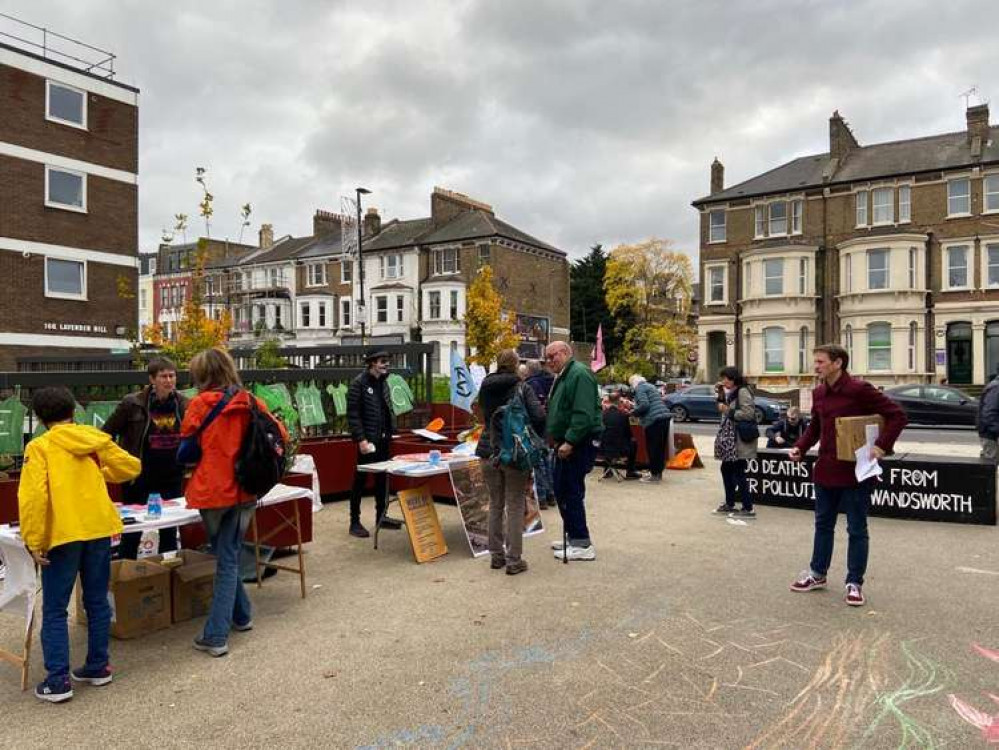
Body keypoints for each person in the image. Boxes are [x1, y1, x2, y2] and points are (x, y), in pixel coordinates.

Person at [18, 387, 141, 702]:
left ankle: (58, 680)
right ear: (74, 410)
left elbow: (33, 498)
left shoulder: (40, 447)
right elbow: (131, 467)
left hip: (63, 534)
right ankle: (98, 666)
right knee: (97, 600)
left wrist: (34, 540)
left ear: (39, 418)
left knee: (56, 608)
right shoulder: (92, 439)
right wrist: (100, 467)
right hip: (98, 528)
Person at [181, 348, 288, 657]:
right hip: (247, 489)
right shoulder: (252, 401)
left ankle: (215, 635)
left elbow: (186, 443)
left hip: (213, 491)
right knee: (227, 553)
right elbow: (279, 433)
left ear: (202, 375)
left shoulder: (200, 404)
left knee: (225, 557)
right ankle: (241, 616)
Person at [788, 344, 906, 607]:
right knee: (823, 525)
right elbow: (815, 428)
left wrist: (881, 446)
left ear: (838, 363)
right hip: (826, 469)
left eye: (820, 362)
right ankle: (817, 574)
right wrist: (801, 447)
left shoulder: (859, 390)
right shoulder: (818, 393)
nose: (816, 366)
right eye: (815, 361)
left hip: (857, 472)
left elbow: (897, 416)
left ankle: (854, 582)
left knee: (856, 528)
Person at [104, 357, 188, 559]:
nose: (169, 380)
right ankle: (126, 576)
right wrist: (119, 461)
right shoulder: (132, 403)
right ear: (152, 379)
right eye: (163, 376)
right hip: (138, 477)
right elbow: (106, 433)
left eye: (172, 375)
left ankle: (167, 577)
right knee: (133, 531)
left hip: (171, 475)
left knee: (169, 531)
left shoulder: (184, 404)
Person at [476, 349, 546, 575]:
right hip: (514, 452)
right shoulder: (522, 387)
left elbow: (480, 413)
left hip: (488, 449)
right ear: (516, 364)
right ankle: (514, 559)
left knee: (496, 504)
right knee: (515, 504)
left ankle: (496, 556)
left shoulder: (485, 387)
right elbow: (538, 417)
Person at [545, 341, 603, 561]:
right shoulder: (566, 375)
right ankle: (573, 535)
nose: (550, 362)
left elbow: (583, 413)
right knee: (563, 489)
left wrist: (570, 441)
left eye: (553, 356)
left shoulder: (579, 374)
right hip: (567, 442)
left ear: (566, 353)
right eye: (547, 358)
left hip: (578, 443)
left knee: (570, 491)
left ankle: (581, 542)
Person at [346, 349, 402, 538]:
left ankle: (381, 517)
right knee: (360, 481)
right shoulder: (358, 384)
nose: (386, 364)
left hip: (384, 439)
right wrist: (361, 439)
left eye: (387, 361)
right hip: (368, 441)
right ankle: (354, 521)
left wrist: (392, 431)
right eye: (382, 361)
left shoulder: (383, 383)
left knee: (382, 480)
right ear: (371, 363)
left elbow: (387, 409)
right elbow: (353, 415)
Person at [712, 367, 758, 518]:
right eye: (723, 378)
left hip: (739, 440)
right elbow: (722, 407)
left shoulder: (743, 391)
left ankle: (748, 508)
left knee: (738, 472)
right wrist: (720, 395)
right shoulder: (731, 392)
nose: (724, 381)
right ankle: (730, 503)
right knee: (726, 469)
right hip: (731, 440)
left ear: (734, 379)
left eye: (727, 378)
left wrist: (728, 411)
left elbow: (749, 413)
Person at [629, 374, 670, 483]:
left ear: (634, 383)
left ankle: (654, 475)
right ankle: (658, 473)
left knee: (653, 448)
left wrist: (633, 412)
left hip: (653, 420)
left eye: (631, 385)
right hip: (664, 417)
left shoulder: (640, 388)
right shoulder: (651, 386)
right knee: (660, 448)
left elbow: (644, 405)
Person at [600, 390, 641, 480]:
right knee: (634, 444)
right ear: (619, 401)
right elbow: (628, 433)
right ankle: (630, 471)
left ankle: (607, 470)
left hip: (603, 448)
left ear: (609, 401)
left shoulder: (603, 415)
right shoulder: (623, 415)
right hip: (619, 449)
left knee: (609, 440)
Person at [978, 372, 999, 461]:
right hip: (990, 433)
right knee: (989, 464)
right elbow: (989, 412)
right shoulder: (996, 387)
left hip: (990, 430)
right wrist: (996, 429)